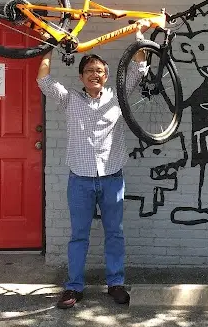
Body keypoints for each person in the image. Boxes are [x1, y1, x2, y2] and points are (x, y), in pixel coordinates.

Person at [36, 24, 148, 309]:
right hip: (80, 180)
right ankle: (74, 287)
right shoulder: (70, 99)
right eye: (89, 71)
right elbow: (44, 81)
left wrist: (140, 35)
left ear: (106, 76)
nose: (94, 75)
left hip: (112, 178)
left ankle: (116, 283)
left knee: (115, 233)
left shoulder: (117, 97)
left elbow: (139, 70)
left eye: (99, 71)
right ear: (81, 77)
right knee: (79, 236)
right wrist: (48, 47)